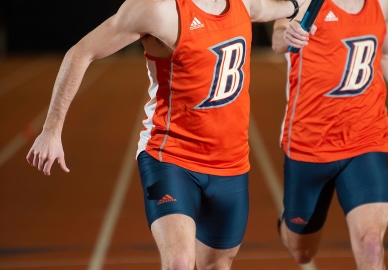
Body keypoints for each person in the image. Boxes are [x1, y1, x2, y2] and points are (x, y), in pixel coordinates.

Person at [25, 0, 306, 268]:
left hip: (231, 164)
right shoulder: (158, 10)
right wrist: (51, 129)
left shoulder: (243, 4)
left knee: (218, 265)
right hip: (171, 156)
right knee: (180, 263)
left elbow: (277, 8)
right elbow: (80, 52)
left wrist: (296, 8)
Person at [271, 0, 388, 269]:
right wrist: (287, 34)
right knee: (301, 252)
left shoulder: (381, 4)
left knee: (371, 243)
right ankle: (288, 219)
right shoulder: (308, 2)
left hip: (365, 139)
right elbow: (278, 38)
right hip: (310, 145)